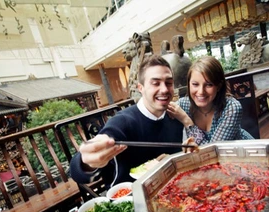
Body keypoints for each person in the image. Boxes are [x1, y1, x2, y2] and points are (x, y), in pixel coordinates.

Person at [70, 54, 188, 189]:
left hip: (174, 190)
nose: (164, 89)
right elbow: (78, 173)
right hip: (131, 199)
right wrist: (86, 163)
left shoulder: (175, 116)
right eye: (155, 83)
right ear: (140, 88)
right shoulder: (123, 122)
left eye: (169, 83)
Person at [167, 55, 254, 145]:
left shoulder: (231, 107)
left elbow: (213, 152)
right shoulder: (183, 105)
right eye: (195, 84)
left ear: (219, 86)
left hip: (245, 154)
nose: (201, 92)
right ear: (189, 84)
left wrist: (186, 121)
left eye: (209, 85)